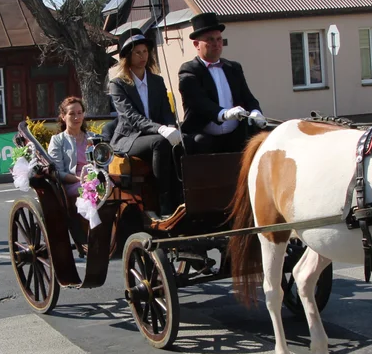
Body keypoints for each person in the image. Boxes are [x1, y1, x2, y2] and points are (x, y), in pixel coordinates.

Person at [107, 28, 184, 214]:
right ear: (128, 57)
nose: (143, 56)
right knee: (160, 143)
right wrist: (161, 129)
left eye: (145, 52)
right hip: (130, 138)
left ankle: (182, 197)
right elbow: (131, 117)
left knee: (183, 141)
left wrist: (172, 126)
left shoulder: (157, 81)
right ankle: (163, 201)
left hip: (155, 133)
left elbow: (166, 111)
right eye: (137, 52)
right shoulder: (117, 84)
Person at [177, 12, 266, 154]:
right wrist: (224, 114)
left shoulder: (234, 68)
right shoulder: (189, 70)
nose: (216, 44)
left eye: (219, 39)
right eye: (210, 40)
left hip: (234, 136)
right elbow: (200, 103)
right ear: (196, 44)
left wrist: (256, 111)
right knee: (201, 143)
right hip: (205, 138)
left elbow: (248, 97)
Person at [48, 97, 94, 200]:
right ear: (63, 116)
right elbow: (57, 173)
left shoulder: (93, 137)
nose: (76, 117)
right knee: (91, 189)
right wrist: (81, 179)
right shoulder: (57, 140)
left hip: (95, 180)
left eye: (79, 113)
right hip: (73, 184)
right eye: (72, 114)